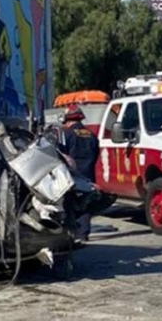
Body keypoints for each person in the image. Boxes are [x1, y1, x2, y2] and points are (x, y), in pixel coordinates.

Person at [58, 104, 99, 244]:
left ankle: (72, 233)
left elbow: (61, 154)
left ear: (68, 121)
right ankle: (83, 234)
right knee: (85, 204)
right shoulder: (92, 135)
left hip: (72, 175)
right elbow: (96, 154)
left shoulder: (66, 134)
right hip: (88, 174)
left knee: (70, 203)